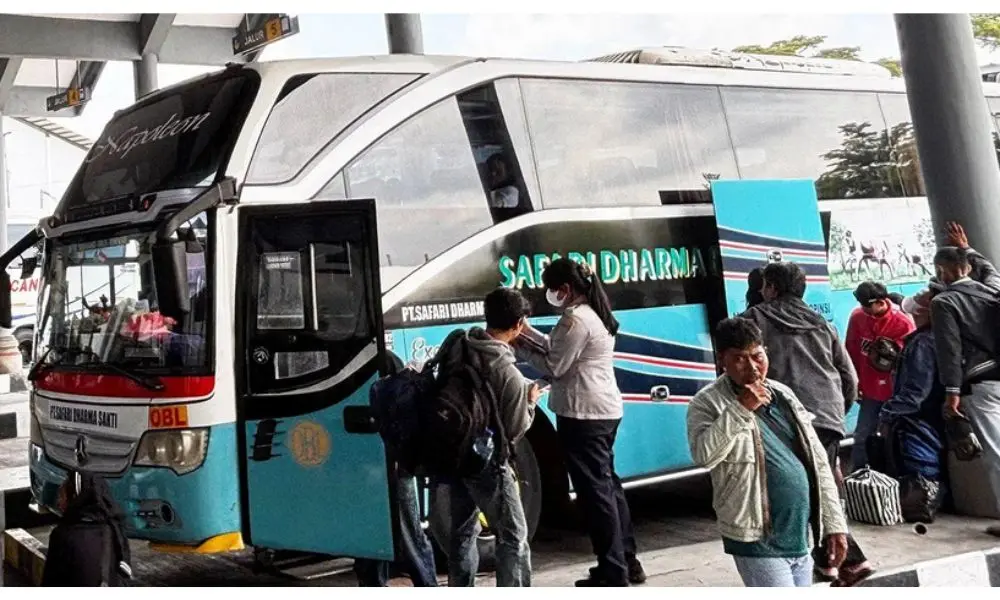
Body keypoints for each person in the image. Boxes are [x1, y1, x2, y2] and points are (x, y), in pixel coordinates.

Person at [687, 318, 849, 587]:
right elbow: (705, 455)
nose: (752, 367)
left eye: (757, 356)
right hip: (757, 539)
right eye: (739, 359)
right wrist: (740, 409)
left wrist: (834, 524)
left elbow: (819, 463)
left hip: (799, 535)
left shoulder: (783, 394)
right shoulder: (706, 403)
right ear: (722, 361)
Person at [515, 258, 645, 587]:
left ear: (566, 289)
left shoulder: (575, 320)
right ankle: (627, 560)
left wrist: (519, 346)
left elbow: (555, 365)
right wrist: (526, 332)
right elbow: (557, 348)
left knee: (595, 494)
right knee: (609, 487)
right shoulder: (592, 313)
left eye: (551, 289)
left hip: (583, 414)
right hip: (603, 411)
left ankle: (612, 570)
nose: (549, 294)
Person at [741, 262, 871, 585]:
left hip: (788, 420)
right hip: (827, 417)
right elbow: (849, 377)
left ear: (770, 287)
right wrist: (837, 411)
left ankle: (851, 560)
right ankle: (828, 564)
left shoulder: (753, 321)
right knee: (816, 486)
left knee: (809, 491)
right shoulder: (823, 324)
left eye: (764, 286)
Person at [444, 287, 539, 587]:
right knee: (514, 537)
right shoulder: (507, 373)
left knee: (461, 533)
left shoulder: (460, 344)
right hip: (486, 463)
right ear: (519, 324)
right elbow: (513, 431)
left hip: (452, 453)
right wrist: (530, 401)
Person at [929, 238, 1000, 535]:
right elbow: (990, 269)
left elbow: (949, 349)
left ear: (942, 272)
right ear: (967, 267)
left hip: (981, 385)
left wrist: (951, 393)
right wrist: (969, 248)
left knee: (996, 452)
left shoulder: (944, 302)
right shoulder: (992, 290)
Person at [355, 352, 439, 587]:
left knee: (380, 532)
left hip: (376, 466)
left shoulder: (365, 362)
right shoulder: (388, 362)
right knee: (408, 533)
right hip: (394, 464)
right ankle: (426, 583)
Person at [877, 288, 947, 485]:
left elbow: (915, 391)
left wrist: (887, 414)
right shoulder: (945, 336)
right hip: (939, 411)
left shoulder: (922, 343)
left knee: (921, 469)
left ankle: (923, 498)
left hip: (921, 418)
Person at [845, 280, 915, 468]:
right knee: (862, 437)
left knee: (898, 438)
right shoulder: (858, 317)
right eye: (862, 306)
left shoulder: (902, 322)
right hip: (869, 390)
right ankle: (858, 478)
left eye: (868, 306)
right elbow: (851, 350)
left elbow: (910, 362)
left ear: (881, 301)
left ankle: (899, 478)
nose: (865, 310)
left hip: (895, 393)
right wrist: (855, 383)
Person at [42, 472, 132, 587]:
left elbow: (50, 583)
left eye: (61, 496)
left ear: (75, 498)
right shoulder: (115, 529)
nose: (58, 502)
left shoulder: (63, 535)